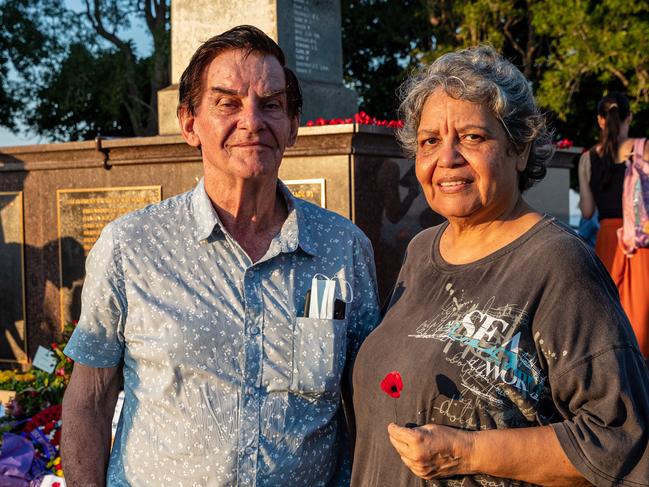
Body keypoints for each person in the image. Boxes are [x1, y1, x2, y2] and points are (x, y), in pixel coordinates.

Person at [61, 25, 380, 486]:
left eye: (271, 105)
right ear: (189, 123)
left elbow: (365, 400)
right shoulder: (131, 247)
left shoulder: (343, 249)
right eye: (227, 103)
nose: (252, 121)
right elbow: (89, 398)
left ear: (292, 126)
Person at [350, 46, 649, 487]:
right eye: (430, 141)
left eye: (472, 137)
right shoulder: (420, 251)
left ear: (520, 150)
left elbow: (623, 443)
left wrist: (463, 452)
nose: (447, 158)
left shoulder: (557, 263)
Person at [578, 92, 649, 358]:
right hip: (642, 242)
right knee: (643, 320)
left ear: (600, 120)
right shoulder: (644, 148)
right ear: (629, 117)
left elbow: (587, 211)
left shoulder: (588, 159)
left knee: (610, 314)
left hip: (608, 241)